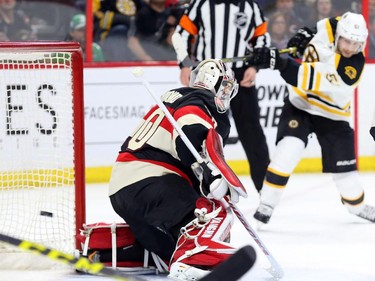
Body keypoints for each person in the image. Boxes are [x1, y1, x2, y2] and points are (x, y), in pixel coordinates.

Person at [108, 59, 248, 280]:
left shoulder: (177, 98)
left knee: (171, 247)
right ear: (214, 82)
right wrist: (208, 172)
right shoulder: (199, 102)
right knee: (212, 210)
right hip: (151, 182)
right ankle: (189, 261)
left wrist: (205, 174)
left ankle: (114, 252)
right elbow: (189, 134)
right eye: (226, 86)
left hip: (123, 189)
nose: (227, 93)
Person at [247, 12, 375, 224]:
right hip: (300, 106)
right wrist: (304, 34)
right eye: (347, 41)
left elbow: (301, 76)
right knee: (288, 150)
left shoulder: (351, 69)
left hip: (333, 115)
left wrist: (278, 62)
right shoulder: (334, 26)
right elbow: (320, 27)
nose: (350, 48)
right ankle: (266, 203)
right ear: (339, 34)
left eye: (356, 43)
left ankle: (357, 206)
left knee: (347, 178)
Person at [173, 0, 271, 193]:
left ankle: (266, 192)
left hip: (240, 76)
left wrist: (254, 66)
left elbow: (261, 38)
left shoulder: (250, 6)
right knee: (199, 130)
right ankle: (195, 187)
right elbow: (180, 35)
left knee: (252, 132)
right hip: (206, 77)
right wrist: (185, 63)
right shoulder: (201, 4)